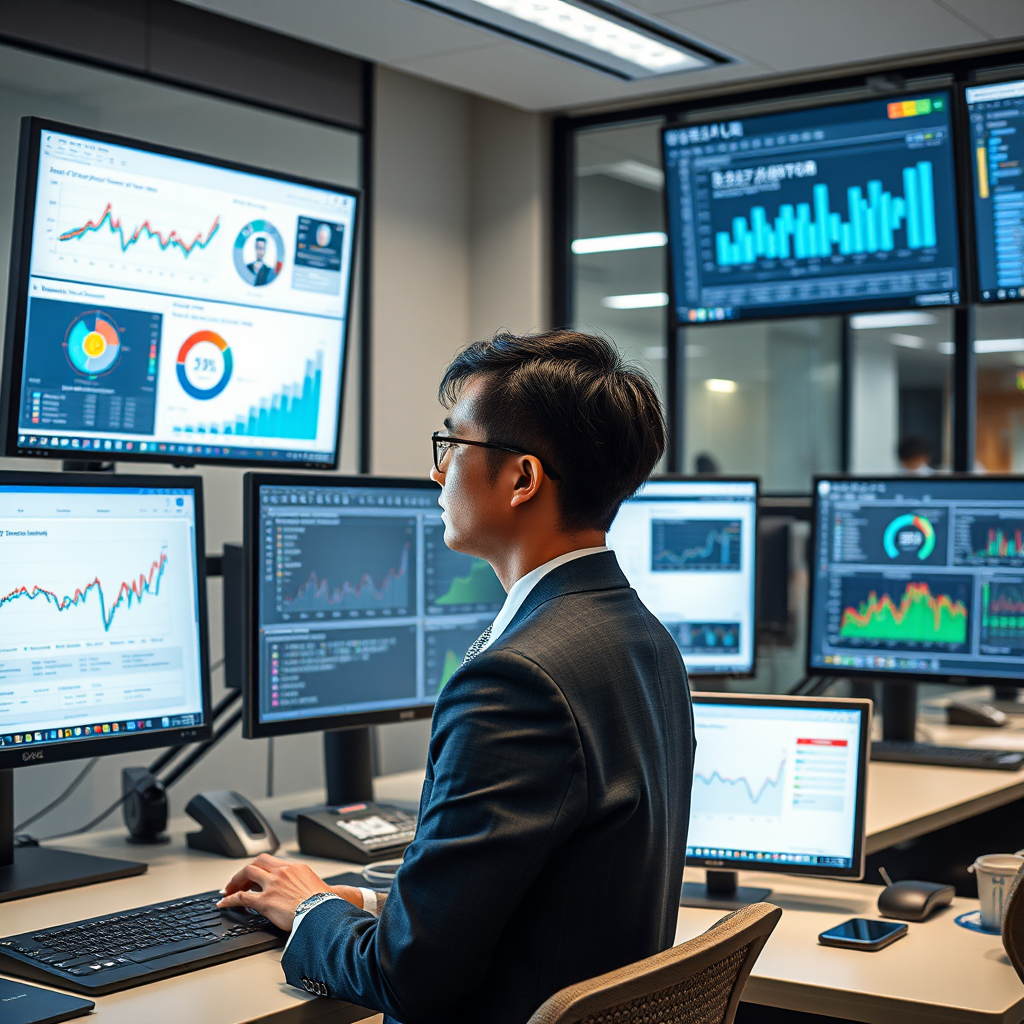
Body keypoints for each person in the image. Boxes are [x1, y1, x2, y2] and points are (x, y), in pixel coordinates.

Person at [218, 329, 695, 1024]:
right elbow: (549, 900)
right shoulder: (644, 639)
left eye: (454, 446)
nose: (438, 475)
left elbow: (408, 978)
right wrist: (368, 901)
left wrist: (311, 909)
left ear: (522, 478)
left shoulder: (515, 678)